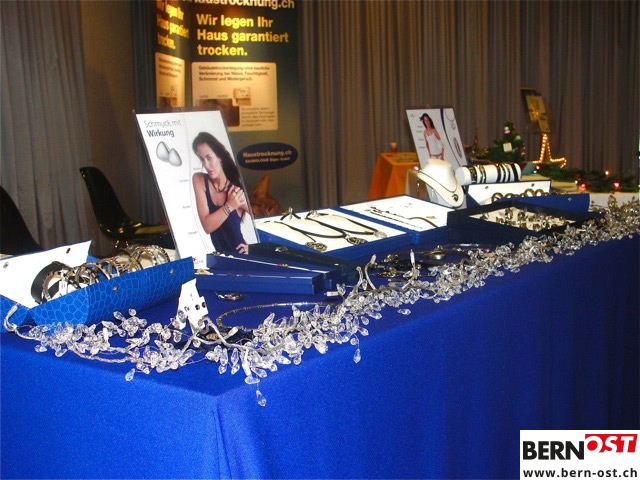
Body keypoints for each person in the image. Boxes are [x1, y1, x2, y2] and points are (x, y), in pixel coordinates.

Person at [192, 131, 249, 254]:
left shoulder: (236, 191)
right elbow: (207, 226)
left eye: (209, 158)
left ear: (220, 157)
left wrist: (255, 248)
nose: (206, 165)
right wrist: (230, 206)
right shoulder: (199, 180)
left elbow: (263, 221)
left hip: (240, 259)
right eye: (202, 159)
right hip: (219, 259)